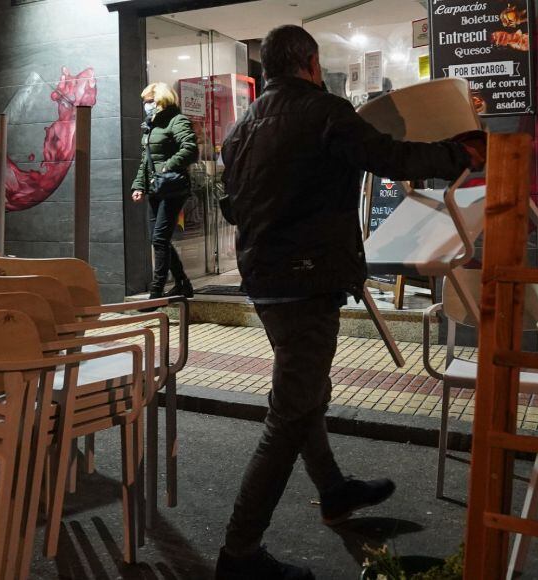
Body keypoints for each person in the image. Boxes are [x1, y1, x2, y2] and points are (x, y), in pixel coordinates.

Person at [215, 26, 487, 580]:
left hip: (264, 280)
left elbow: (233, 206)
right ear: (311, 62)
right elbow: (387, 156)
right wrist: (458, 153)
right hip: (307, 281)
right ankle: (239, 554)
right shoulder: (323, 111)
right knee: (289, 414)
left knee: (305, 393)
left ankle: (334, 491)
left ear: (269, 68)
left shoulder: (240, 130)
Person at [131, 82, 199, 300]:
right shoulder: (150, 125)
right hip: (156, 188)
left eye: (149, 101)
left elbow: (190, 149)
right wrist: (139, 185)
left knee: (159, 239)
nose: (146, 105)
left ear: (161, 100)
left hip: (172, 187)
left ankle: (157, 291)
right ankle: (182, 284)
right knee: (159, 239)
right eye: (145, 102)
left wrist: (167, 166)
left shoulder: (177, 121)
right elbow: (146, 160)